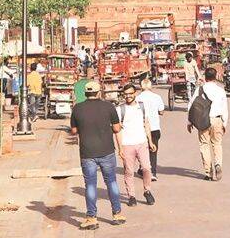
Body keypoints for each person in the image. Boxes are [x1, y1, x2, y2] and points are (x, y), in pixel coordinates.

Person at [69, 80, 125, 229]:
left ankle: (92, 217)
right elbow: (117, 128)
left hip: (87, 152)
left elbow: (74, 130)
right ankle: (117, 214)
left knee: (90, 185)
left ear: (86, 93)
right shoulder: (109, 106)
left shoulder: (77, 109)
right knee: (111, 182)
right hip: (107, 150)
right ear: (99, 92)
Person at [116, 84, 156, 207]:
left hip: (141, 142)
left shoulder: (142, 107)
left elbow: (147, 124)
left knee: (146, 168)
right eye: (126, 94)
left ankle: (147, 190)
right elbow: (117, 130)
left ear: (135, 93)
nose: (128, 96)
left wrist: (150, 141)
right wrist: (119, 148)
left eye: (130, 93)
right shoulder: (120, 109)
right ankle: (131, 196)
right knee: (128, 171)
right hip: (127, 144)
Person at [188, 67, 229, 181]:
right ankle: (218, 164)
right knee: (217, 144)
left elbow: (192, 105)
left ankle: (208, 172)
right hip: (217, 119)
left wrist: (190, 121)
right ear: (215, 77)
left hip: (203, 120)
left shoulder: (200, 89)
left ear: (205, 77)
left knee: (204, 144)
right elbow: (224, 108)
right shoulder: (221, 91)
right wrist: (224, 123)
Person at [136, 78, 165, 180]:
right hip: (155, 127)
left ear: (141, 87)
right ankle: (152, 173)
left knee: (142, 150)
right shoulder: (157, 97)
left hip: (141, 127)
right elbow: (161, 111)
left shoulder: (138, 98)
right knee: (153, 150)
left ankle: (143, 169)